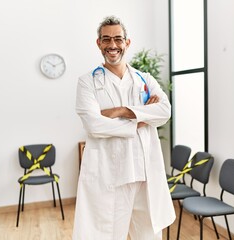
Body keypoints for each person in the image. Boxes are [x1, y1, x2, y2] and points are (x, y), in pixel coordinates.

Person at [73, 15, 175, 240]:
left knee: (149, 237)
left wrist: (119, 112)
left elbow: (164, 111)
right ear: (98, 43)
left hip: (144, 176)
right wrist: (141, 118)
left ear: (127, 43)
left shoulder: (145, 79)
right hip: (111, 177)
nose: (112, 45)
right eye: (106, 39)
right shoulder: (87, 82)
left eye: (118, 39)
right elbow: (94, 124)